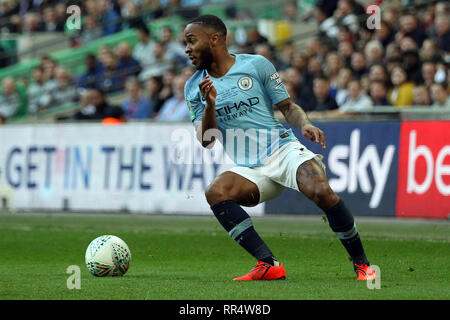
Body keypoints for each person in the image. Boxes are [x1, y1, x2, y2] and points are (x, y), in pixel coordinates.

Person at [183, 15, 376, 281]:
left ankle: (363, 265)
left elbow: (287, 107)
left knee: (320, 190)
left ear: (214, 38)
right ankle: (268, 264)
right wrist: (209, 106)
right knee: (216, 192)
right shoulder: (194, 87)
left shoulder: (256, 64)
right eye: (186, 43)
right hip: (251, 169)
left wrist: (304, 123)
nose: (187, 49)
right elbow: (207, 140)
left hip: (282, 149)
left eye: (192, 41)